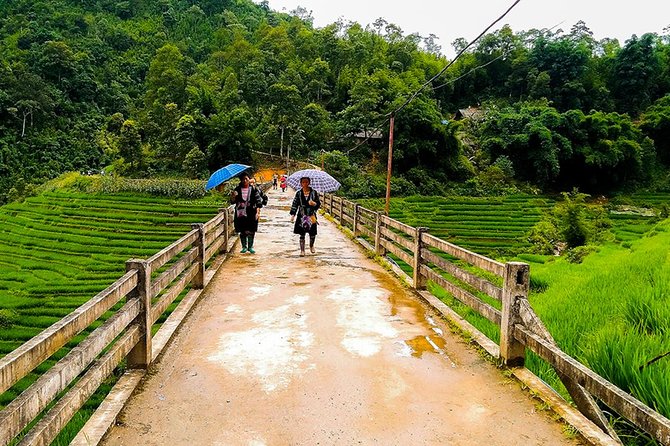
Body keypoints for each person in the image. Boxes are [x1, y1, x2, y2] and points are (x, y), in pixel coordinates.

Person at [231, 173, 263, 254]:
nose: (245, 181)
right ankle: (244, 247)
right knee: (243, 230)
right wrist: (233, 196)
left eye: (246, 179)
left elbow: (258, 201)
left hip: (251, 212)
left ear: (249, 179)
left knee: (251, 230)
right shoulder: (237, 189)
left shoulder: (253, 189)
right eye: (243, 179)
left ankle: (250, 247)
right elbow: (232, 202)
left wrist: (258, 212)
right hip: (240, 212)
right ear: (241, 180)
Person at [290, 176, 321, 256]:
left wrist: (314, 204)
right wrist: (293, 214)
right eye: (303, 182)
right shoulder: (299, 193)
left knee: (312, 233)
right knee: (302, 233)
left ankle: (311, 246)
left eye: (306, 182)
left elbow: (318, 204)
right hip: (302, 215)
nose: (305, 184)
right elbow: (295, 204)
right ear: (301, 183)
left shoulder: (314, 193)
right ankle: (302, 250)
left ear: (309, 183)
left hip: (311, 215)